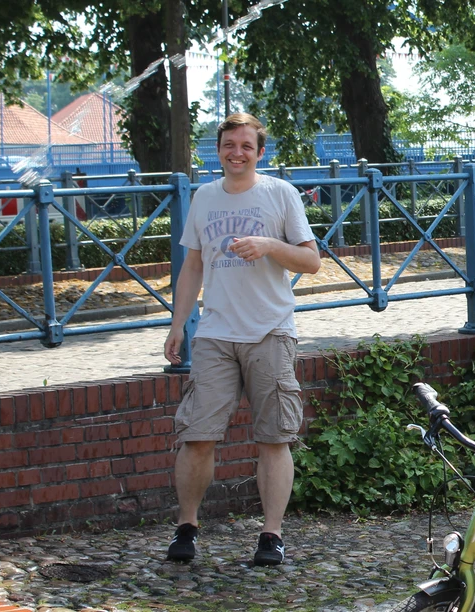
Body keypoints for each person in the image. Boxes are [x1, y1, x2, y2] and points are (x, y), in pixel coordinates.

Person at [162, 113, 321, 566]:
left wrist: (269, 246)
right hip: (214, 333)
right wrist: (178, 325)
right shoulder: (204, 197)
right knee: (197, 434)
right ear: (219, 150)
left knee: (274, 438)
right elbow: (192, 266)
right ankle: (187, 527)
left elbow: (311, 262)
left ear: (259, 152)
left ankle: (271, 535)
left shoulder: (280, 194)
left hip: (270, 330)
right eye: (229, 145)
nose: (237, 153)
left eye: (246, 146)